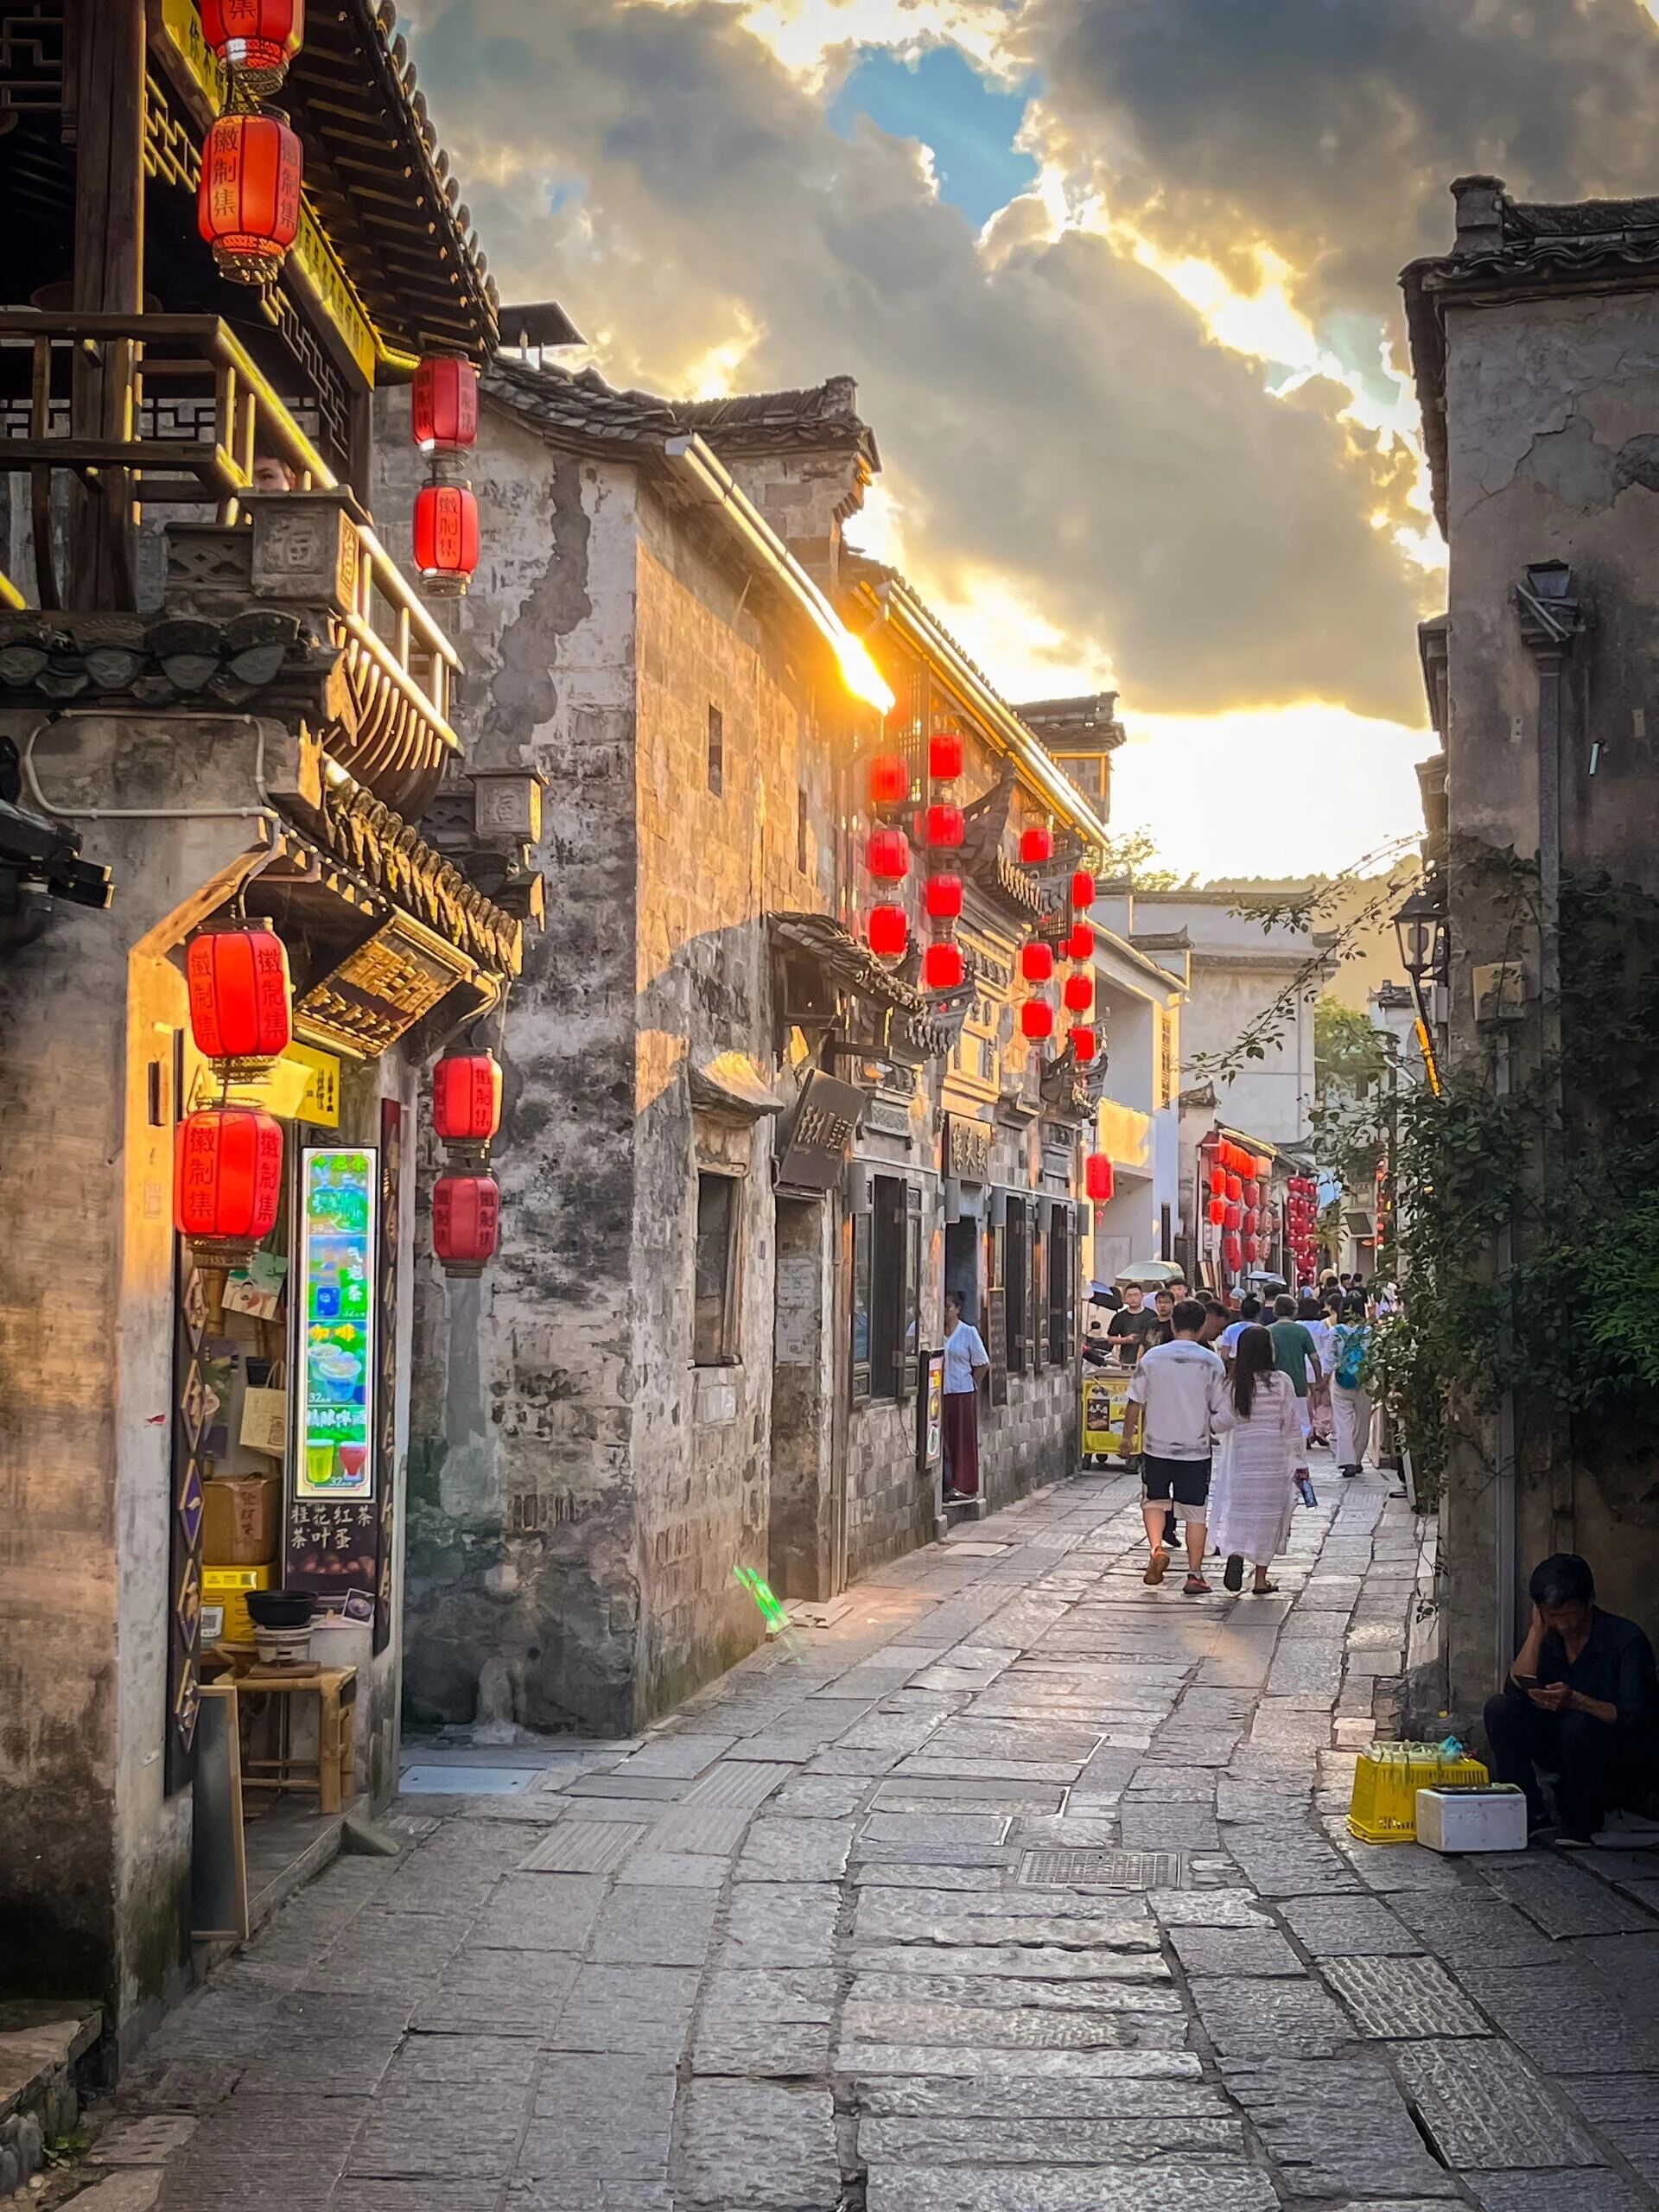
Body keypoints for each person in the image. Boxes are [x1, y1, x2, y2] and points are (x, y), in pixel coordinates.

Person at [1484, 1554, 1659, 1845]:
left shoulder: (1626, 1640)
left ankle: (1581, 1823)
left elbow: (1635, 1716)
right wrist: (1536, 1632)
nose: (1562, 1624)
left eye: (1569, 1614)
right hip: (1559, 1745)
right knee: (1499, 1708)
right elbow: (1515, 1689)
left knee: (1578, 1723)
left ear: (1590, 1602)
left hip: (1614, 1752)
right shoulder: (1549, 1636)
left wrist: (1578, 1701)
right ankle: (1529, 1813)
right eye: (1553, 1615)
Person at [1122, 1298, 1230, 1597]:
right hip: (1195, 1448)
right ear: (1201, 1326)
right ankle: (1194, 1575)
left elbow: (1134, 1400)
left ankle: (1157, 1549)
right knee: (1195, 1512)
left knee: (1154, 1502)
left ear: (1172, 1323)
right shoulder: (1211, 1362)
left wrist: (1127, 1437)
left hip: (1156, 1445)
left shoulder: (1153, 1358)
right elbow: (1220, 1407)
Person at [1211, 1325, 1304, 1595]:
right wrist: (1299, 1461)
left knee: (1240, 1512)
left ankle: (1236, 1552)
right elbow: (1291, 1424)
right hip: (1274, 1461)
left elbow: (1223, 1421)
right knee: (1269, 1518)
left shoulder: (1236, 1384)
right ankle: (1261, 1580)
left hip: (1244, 1461)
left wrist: (1207, 1423)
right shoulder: (1282, 1381)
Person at [940, 1291, 989, 1501]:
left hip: (962, 1393)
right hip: (939, 1393)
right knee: (941, 1439)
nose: (944, 1312)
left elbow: (983, 1363)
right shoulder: (933, 1331)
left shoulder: (968, 1332)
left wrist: (971, 1382)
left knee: (960, 1439)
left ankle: (962, 1483)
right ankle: (946, 1482)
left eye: (948, 1307)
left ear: (957, 1310)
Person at [1267, 1294, 1320, 1440]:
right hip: (1297, 1382)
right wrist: (1319, 1378)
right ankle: (1301, 1444)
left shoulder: (1268, 1331)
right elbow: (1314, 1358)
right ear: (1294, 1310)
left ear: (1275, 1311)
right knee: (1301, 1421)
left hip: (1273, 1383)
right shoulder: (1302, 1331)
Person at [1329, 1304, 1373, 1477]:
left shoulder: (1335, 1331)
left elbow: (1330, 1358)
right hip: (1364, 1381)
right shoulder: (1368, 1331)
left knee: (1343, 1423)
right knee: (1363, 1422)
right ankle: (1357, 1459)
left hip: (1341, 1380)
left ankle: (1347, 1461)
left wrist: (1325, 1377)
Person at [1300, 1294, 1334, 1448]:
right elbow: (1327, 1349)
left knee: (1305, 1401)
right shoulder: (1320, 1326)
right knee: (1319, 1400)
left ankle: (1307, 1432)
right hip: (1317, 1366)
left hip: (1302, 1365)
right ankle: (1318, 1428)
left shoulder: (1297, 1325)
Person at [1107, 1282, 1160, 1365]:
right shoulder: (1120, 1317)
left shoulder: (1152, 1315)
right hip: (1127, 1360)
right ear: (1125, 1298)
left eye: (1136, 1295)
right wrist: (1126, 1340)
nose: (1133, 1298)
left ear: (1142, 1296)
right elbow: (1110, 1339)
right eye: (1129, 1296)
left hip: (1149, 1359)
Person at [1217, 1294, 1262, 1363]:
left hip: (1235, 1365)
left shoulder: (1231, 1329)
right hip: (1257, 1366)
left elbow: (1224, 1354)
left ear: (1241, 1312)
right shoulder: (1262, 1331)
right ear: (1258, 1314)